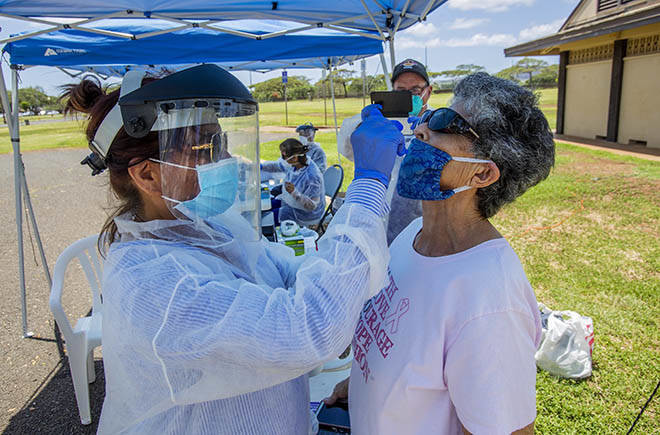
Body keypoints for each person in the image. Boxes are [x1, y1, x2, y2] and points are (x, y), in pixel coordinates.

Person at [63, 64, 405, 434]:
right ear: (147, 174)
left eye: (222, 143)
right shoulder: (154, 285)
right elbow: (307, 329)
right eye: (206, 148)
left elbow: (287, 271)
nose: (225, 160)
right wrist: (369, 183)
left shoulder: (207, 224)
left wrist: (342, 293)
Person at [325, 73, 555, 434]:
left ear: (482, 174)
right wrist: (361, 387)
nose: (420, 131)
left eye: (447, 124)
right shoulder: (413, 235)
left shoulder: (490, 302)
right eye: (432, 116)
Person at [338, 58, 433, 244]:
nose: (409, 96)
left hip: (424, 218)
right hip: (380, 213)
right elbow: (348, 147)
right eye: (401, 91)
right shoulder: (382, 124)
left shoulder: (439, 123)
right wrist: (364, 122)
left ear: (428, 91)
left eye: (415, 90)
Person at [263, 138, 325, 227]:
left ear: (295, 157)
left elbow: (312, 206)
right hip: (292, 201)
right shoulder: (296, 163)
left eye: (284, 156)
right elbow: (277, 166)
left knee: (267, 219)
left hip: (305, 213)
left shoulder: (312, 176)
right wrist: (260, 167)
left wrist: (294, 192)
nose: (282, 158)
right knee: (265, 207)